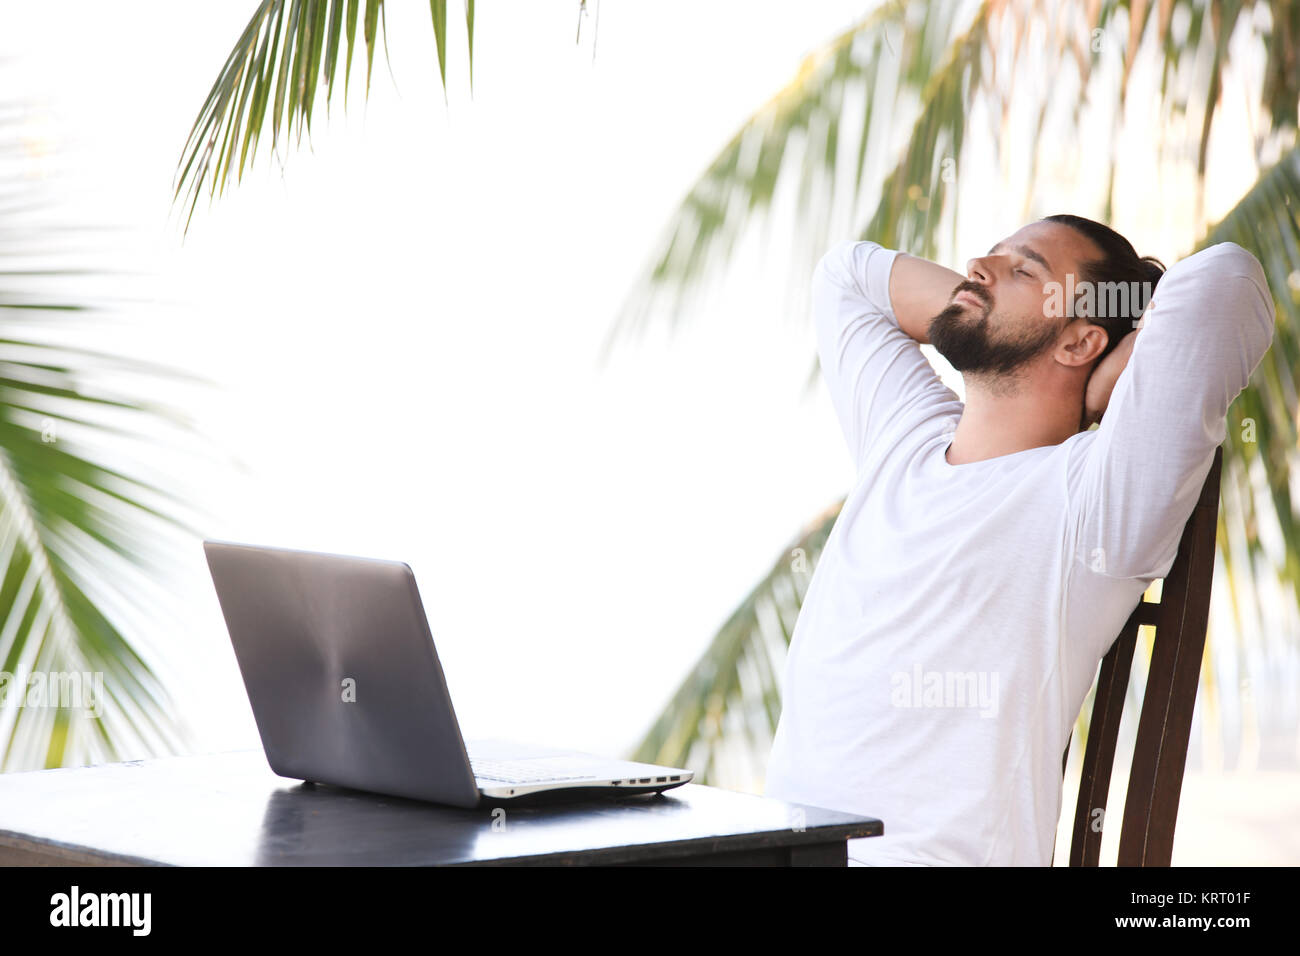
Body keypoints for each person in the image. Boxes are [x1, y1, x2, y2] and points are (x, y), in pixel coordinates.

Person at [763, 215, 1276, 865]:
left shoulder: (1091, 507)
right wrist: (997, 304)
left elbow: (1225, 281)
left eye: (1024, 269)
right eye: (992, 257)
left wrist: (1105, 376)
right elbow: (845, 276)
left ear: (1079, 341)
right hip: (773, 852)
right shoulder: (903, 437)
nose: (979, 265)